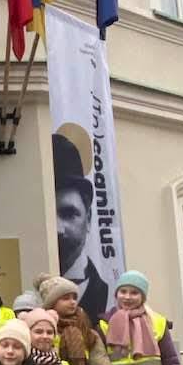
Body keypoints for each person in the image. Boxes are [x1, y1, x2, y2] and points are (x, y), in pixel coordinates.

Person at [53, 133, 109, 324]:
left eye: (68, 213)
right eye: (48, 216)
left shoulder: (105, 290)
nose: (58, 229)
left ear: (89, 218)